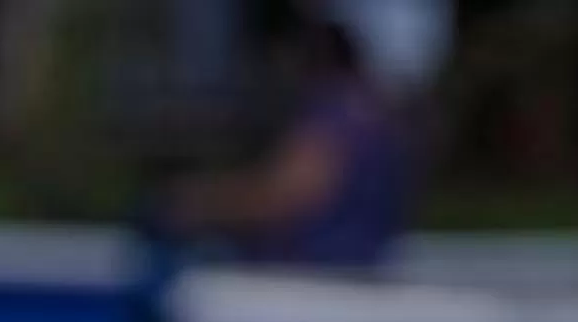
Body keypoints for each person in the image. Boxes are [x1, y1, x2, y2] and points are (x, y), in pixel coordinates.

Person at [162, 16, 410, 271]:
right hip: (352, 269)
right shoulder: (375, 112)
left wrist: (200, 202)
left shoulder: (338, 115)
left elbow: (285, 195)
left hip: (317, 278)